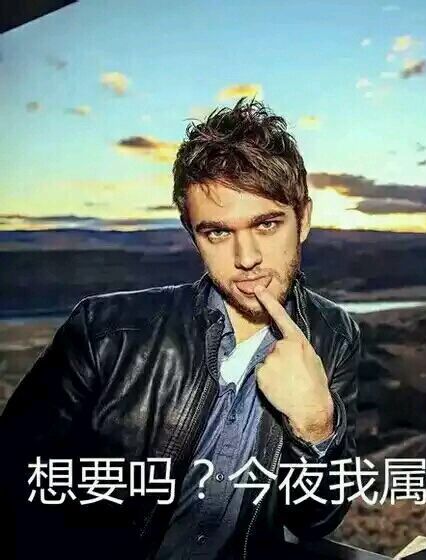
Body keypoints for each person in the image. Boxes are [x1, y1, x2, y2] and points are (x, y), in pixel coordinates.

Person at [0, 97, 361, 560]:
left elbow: (314, 518)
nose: (246, 257)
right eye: (218, 233)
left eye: (267, 225)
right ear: (192, 233)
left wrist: (315, 424)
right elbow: (14, 484)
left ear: (303, 219)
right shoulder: (104, 334)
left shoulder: (336, 336)